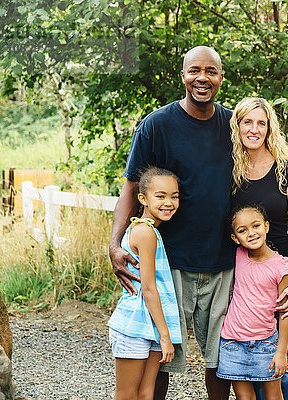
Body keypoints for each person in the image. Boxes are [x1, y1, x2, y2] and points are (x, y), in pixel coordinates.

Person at [108, 46, 234, 400]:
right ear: (183, 75)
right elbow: (132, 187)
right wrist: (115, 244)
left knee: (219, 360)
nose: (203, 78)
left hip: (223, 260)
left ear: (221, 78)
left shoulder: (233, 125)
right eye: (195, 70)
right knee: (160, 357)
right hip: (169, 262)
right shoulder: (156, 126)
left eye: (211, 71)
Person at [230, 97, 288, 400]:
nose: (254, 129)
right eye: (247, 122)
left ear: (269, 127)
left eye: (261, 123)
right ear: (237, 126)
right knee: (246, 359)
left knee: (280, 360)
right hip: (245, 279)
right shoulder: (231, 170)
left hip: (282, 278)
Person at [108, 166, 183, 400]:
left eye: (174, 196)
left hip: (149, 324)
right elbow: (149, 289)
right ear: (143, 199)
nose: (168, 202)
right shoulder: (145, 232)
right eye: (160, 196)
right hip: (135, 324)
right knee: (128, 394)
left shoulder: (152, 231)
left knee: (146, 393)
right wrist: (165, 336)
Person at [216, 204, 288, 400]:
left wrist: (282, 352)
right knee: (244, 397)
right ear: (235, 238)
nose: (251, 233)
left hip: (265, 343)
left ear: (266, 226)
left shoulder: (281, 266)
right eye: (242, 230)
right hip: (232, 342)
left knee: (273, 395)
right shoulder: (238, 255)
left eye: (256, 226)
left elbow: (285, 312)